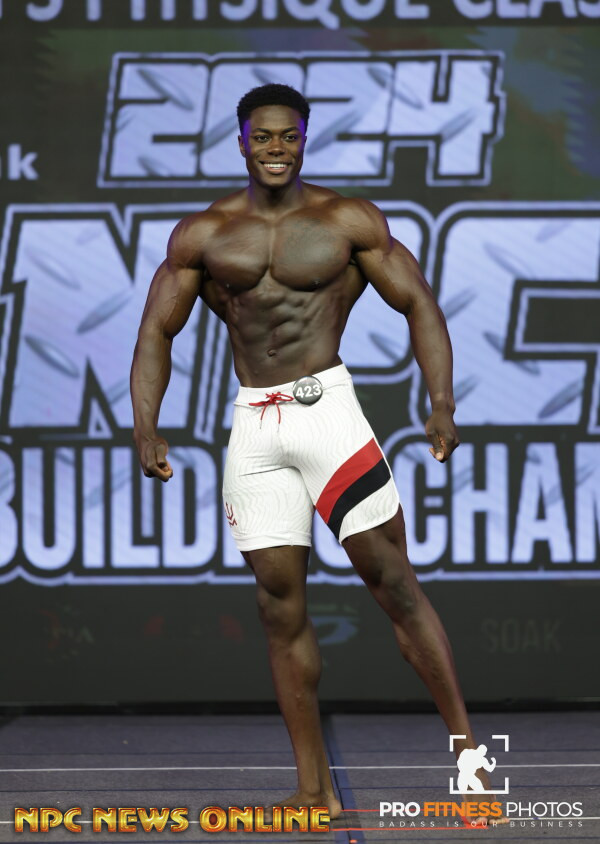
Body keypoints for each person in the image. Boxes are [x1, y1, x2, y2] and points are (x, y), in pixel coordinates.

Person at [130, 83, 502, 824]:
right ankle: (312, 790)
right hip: (255, 426)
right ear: (241, 142)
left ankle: (469, 756)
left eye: (289, 135)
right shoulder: (203, 234)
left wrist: (441, 403)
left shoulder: (347, 221)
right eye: (263, 136)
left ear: (305, 140)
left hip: (326, 413)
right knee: (278, 606)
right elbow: (155, 332)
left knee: (392, 582)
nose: (276, 148)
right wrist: (146, 426)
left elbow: (420, 304)